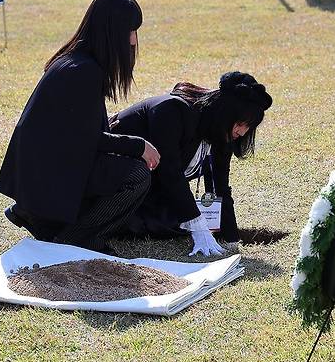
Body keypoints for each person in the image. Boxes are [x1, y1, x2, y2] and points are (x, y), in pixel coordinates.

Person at [0, 0, 157, 256]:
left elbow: (80, 134)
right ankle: (72, 241)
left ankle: (45, 224)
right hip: (47, 177)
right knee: (137, 175)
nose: (133, 40)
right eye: (131, 30)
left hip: (43, 174)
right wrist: (138, 146)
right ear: (113, 32)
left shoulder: (75, 61)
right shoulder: (84, 71)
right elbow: (88, 140)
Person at [109, 72, 273, 254]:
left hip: (153, 191)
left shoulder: (221, 135)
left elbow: (221, 187)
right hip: (112, 183)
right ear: (226, 113)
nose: (242, 132)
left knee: (174, 222)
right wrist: (197, 226)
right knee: (165, 221)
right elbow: (170, 171)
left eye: (248, 127)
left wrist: (230, 239)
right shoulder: (173, 110)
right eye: (241, 123)